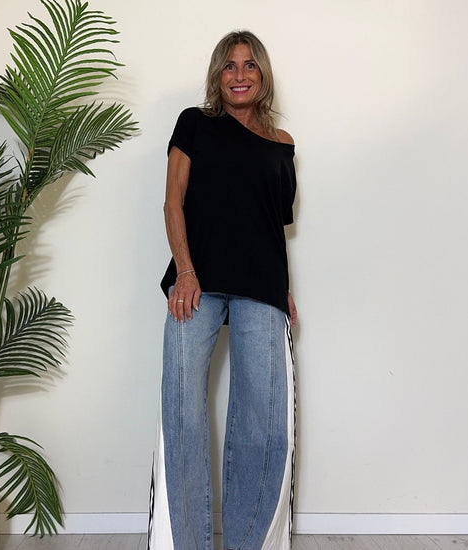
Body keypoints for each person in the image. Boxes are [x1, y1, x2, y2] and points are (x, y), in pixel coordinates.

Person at [148, 30, 298, 550]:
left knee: (265, 420)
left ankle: (249, 543)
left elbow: (271, 226)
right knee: (182, 409)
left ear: (262, 75)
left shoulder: (282, 143)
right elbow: (173, 201)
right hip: (198, 283)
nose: (239, 74)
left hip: (263, 287)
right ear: (217, 75)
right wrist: (186, 271)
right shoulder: (194, 123)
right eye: (229, 65)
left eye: (249, 64)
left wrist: (284, 291)